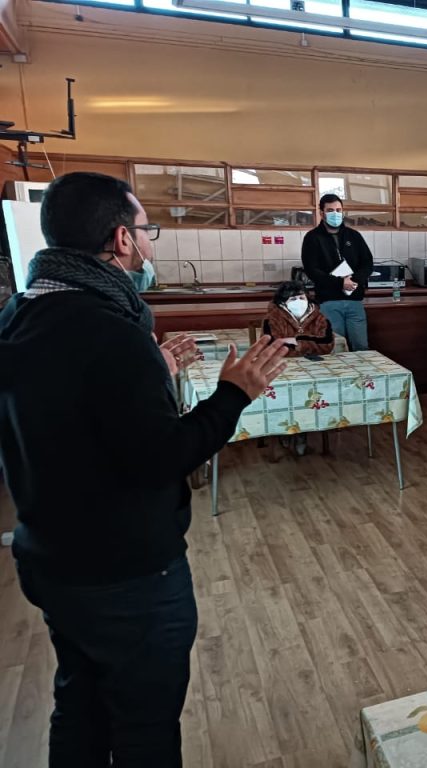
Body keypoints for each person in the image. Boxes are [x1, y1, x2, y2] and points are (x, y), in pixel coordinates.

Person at [0, 172, 288, 767]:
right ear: (121, 239)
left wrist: (150, 370)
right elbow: (162, 457)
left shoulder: (19, 312)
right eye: (145, 229)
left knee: (79, 705)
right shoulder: (111, 331)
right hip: (124, 574)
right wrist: (233, 394)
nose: (149, 242)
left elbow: (73, 413)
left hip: (51, 557)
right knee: (144, 727)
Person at [300, 194, 373, 351]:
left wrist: (354, 280)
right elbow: (312, 270)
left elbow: (367, 263)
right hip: (329, 302)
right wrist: (340, 282)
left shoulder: (354, 236)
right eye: (330, 210)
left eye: (338, 210)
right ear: (322, 213)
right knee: (336, 347)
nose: (335, 214)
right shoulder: (312, 237)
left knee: (361, 346)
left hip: (354, 300)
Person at [262, 280, 335, 358]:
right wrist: (310, 344)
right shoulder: (272, 319)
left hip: (314, 362)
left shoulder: (320, 318)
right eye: (293, 299)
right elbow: (271, 347)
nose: (298, 301)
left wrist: (297, 342)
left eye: (302, 298)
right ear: (283, 302)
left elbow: (327, 345)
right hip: (282, 362)